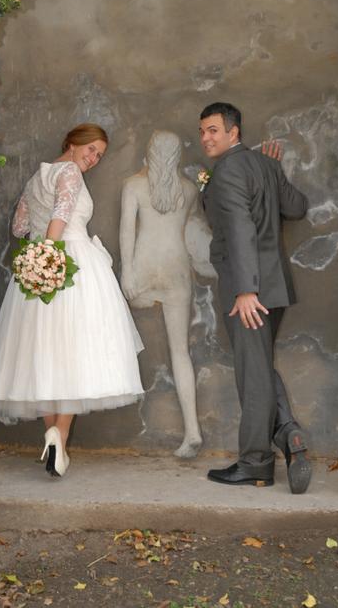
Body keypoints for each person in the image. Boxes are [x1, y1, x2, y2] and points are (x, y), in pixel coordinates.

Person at [0, 124, 144, 477]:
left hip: (37, 266)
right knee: (74, 348)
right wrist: (50, 253)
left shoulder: (35, 178)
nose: (94, 158)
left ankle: (52, 434)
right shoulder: (69, 171)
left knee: (45, 351)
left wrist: (37, 252)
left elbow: (19, 227)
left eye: (99, 155)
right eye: (91, 149)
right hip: (68, 263)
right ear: (72, 143)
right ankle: (60, 435)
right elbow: (62, 213)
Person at [199, 102, 312, 494]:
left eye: (213, 130)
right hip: (275, 289)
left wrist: (245, 290)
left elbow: (240, 227)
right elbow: (297, 208)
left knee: (253, 376)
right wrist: (274, 173)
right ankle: (289, 434)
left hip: (249, 293)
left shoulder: (228, 170)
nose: (205, 138)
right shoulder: (265, 165)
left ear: (234, 132)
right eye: (202, 131)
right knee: (260, 368)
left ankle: (255, 463)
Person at [120, 131, 203, 458]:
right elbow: (192, 232)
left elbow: (127, 230)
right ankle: (192, 430)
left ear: (150, 152)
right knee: (180, 352)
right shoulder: (189, 189)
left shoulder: (133, 185)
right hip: (177, 271)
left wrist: (127, 271)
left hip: (144, 268)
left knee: (122, 331)